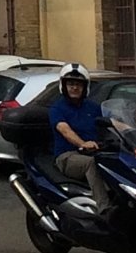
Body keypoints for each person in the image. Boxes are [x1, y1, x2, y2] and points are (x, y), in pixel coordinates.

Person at [48, 64, 111, 208]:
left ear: (85, 87)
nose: (74, 88)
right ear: (63, 86)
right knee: (91, 164)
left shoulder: (92, 107)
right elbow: (65, 130)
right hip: (67, 156)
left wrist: (131, 130)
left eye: (78, 84)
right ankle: (105, 208)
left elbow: (109, 121)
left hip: (94, 151)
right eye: (70, 84)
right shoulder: (57, 108)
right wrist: (82, 143)